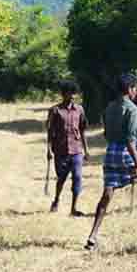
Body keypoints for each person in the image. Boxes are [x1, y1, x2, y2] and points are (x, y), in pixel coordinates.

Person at [85, 74, 137, 251]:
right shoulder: (132, 109)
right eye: (135, 88)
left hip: (110, 152)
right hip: (126, 152)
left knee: (107, 193)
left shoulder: (109, 107)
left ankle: (93, 235)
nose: (136, 91)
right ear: (130, 89)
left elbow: (106, 134)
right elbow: (131, 140)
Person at [46, 80, 89, 216]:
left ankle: (73, 208)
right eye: (70, 93)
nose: (73, 97)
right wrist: (48, 150)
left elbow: (82, 130)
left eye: (74, 94)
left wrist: (86, 150)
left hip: (76, 150)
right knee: (61, 178)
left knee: (77, 177)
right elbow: (50, 132)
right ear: (63, 94)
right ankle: (56, 200)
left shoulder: (80, 110)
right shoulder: (55, 111)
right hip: (60, 150)